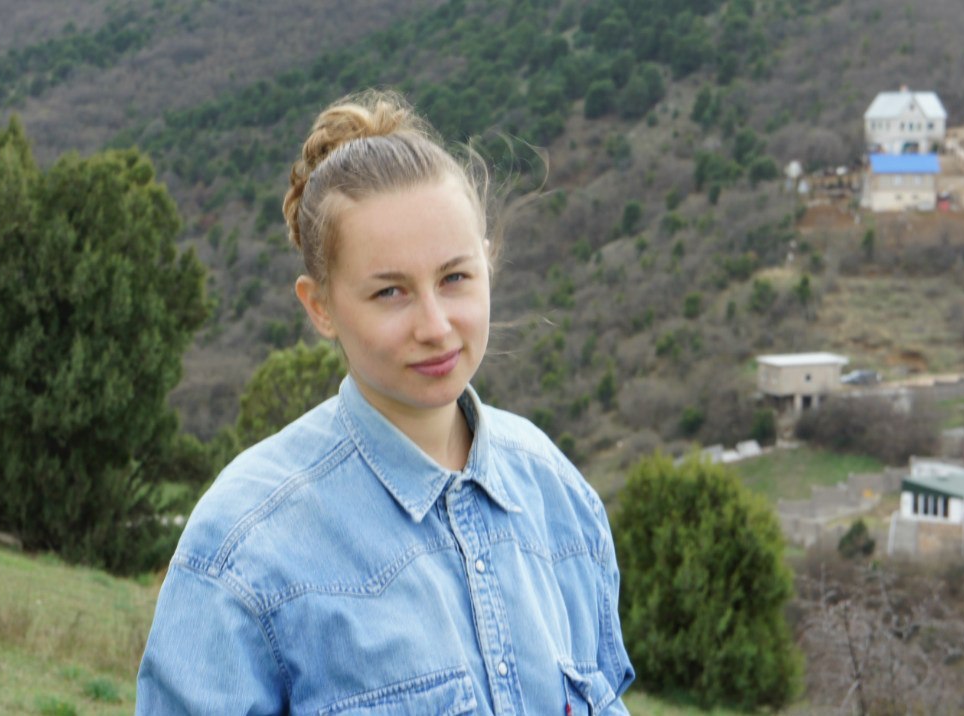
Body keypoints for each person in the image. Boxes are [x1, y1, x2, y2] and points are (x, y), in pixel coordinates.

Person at [136, 89, 634, 715]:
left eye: (455, 278)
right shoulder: (244, 547)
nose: (435, 326)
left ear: (488, 264)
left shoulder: (556, 494)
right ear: (320, 306)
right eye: (390, 292)